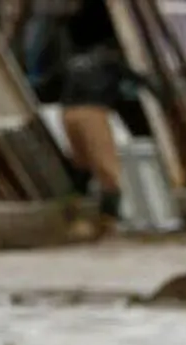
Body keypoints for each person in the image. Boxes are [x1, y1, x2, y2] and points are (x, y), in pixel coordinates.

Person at [56, 39, 157, 239]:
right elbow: (142, 82)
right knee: (109, 171)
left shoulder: (75, 62)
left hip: (67, 113)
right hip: (92, 112)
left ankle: (72, 220)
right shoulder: (111, 62)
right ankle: (109, 225)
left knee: (81, 167)